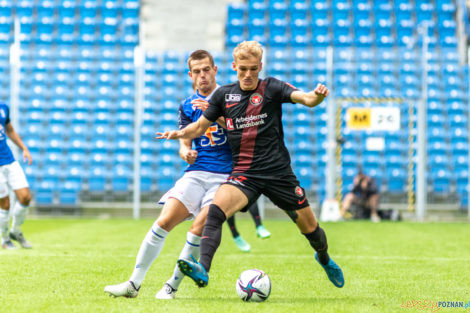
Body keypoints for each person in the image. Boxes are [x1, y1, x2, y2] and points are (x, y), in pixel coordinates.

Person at [156, 41, 345, 289]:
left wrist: (317, 97)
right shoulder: (224, 96)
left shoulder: (273, 87)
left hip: (279, 174)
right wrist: (180, 135)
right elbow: (200, 126)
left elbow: (306, 99)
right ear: (234, 66)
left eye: (253, 69)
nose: (247, 75)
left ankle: (324, 258)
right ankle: (203, 268)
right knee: (215, 211)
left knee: (311, 230)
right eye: (243, 68)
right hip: (245, 173)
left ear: (260, 67)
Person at [104, 49, 267, 300]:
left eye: (207, 69)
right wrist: (185, 152)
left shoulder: (233, 97)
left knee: (198, 226)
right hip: (196, 172)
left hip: (227, 178)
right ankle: (133, 284)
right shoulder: (186, 105)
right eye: (197, 71)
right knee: (164, 220)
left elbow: (247, 135)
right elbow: (186, 142)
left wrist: (216, 114)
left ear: (215, 70)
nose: (203, 75)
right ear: (190, 75)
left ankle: (170, 287)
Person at [0, 102, 33, 249]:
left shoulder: (3, 107)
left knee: (25, 197)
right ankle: (5, 239)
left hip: (9, 159)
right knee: (5, 203)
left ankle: (15, 231)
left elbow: (10, 129)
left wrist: (24, 148)